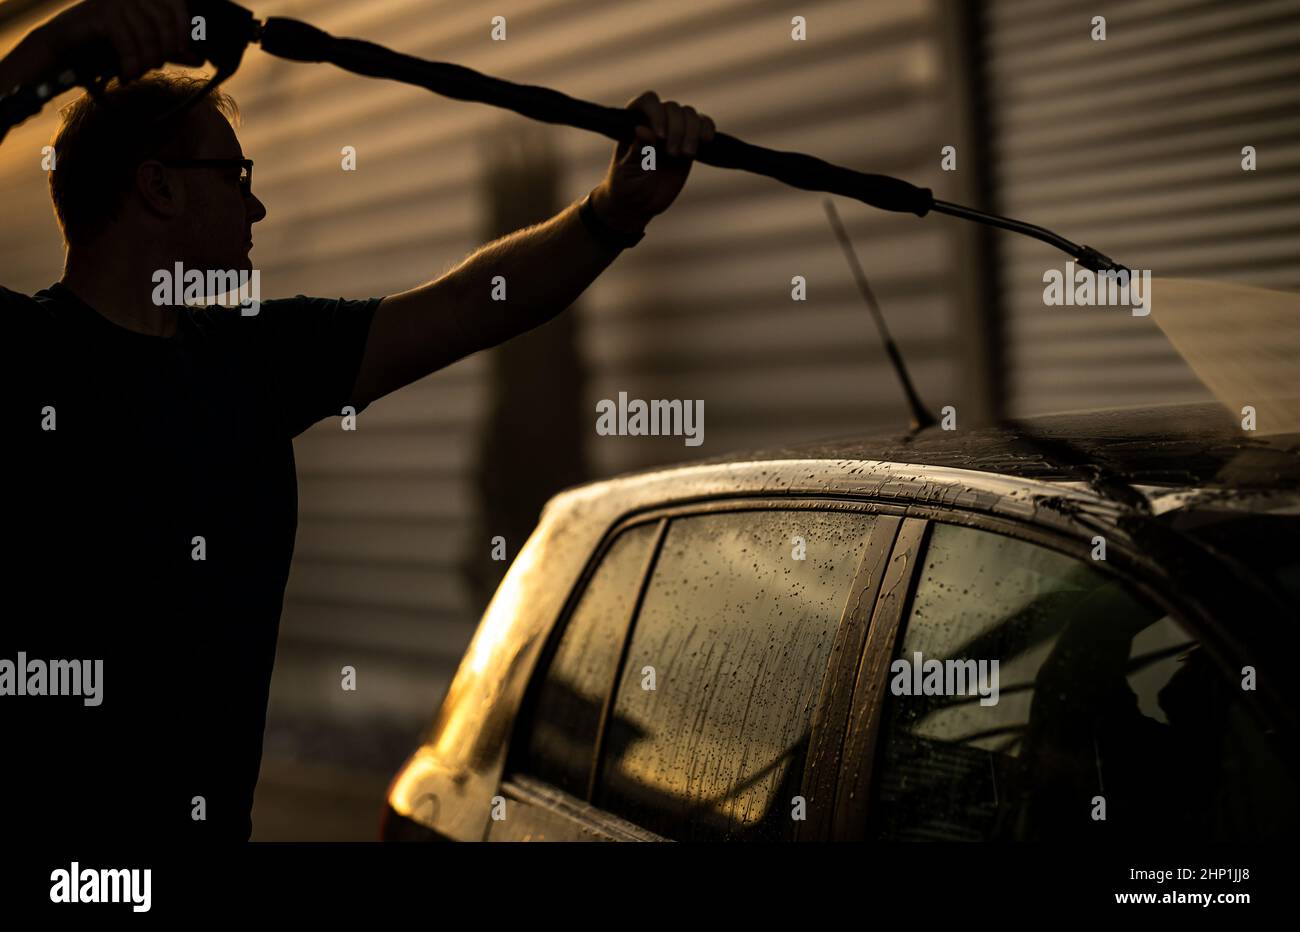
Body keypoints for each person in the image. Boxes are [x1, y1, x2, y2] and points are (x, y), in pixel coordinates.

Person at [0, 0, 714, 841]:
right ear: (155, 186)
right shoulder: (23, 357)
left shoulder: (254, 358)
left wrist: (613, 210)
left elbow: (465, 308)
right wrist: (48, 48)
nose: (256, 209)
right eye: (235, 179)